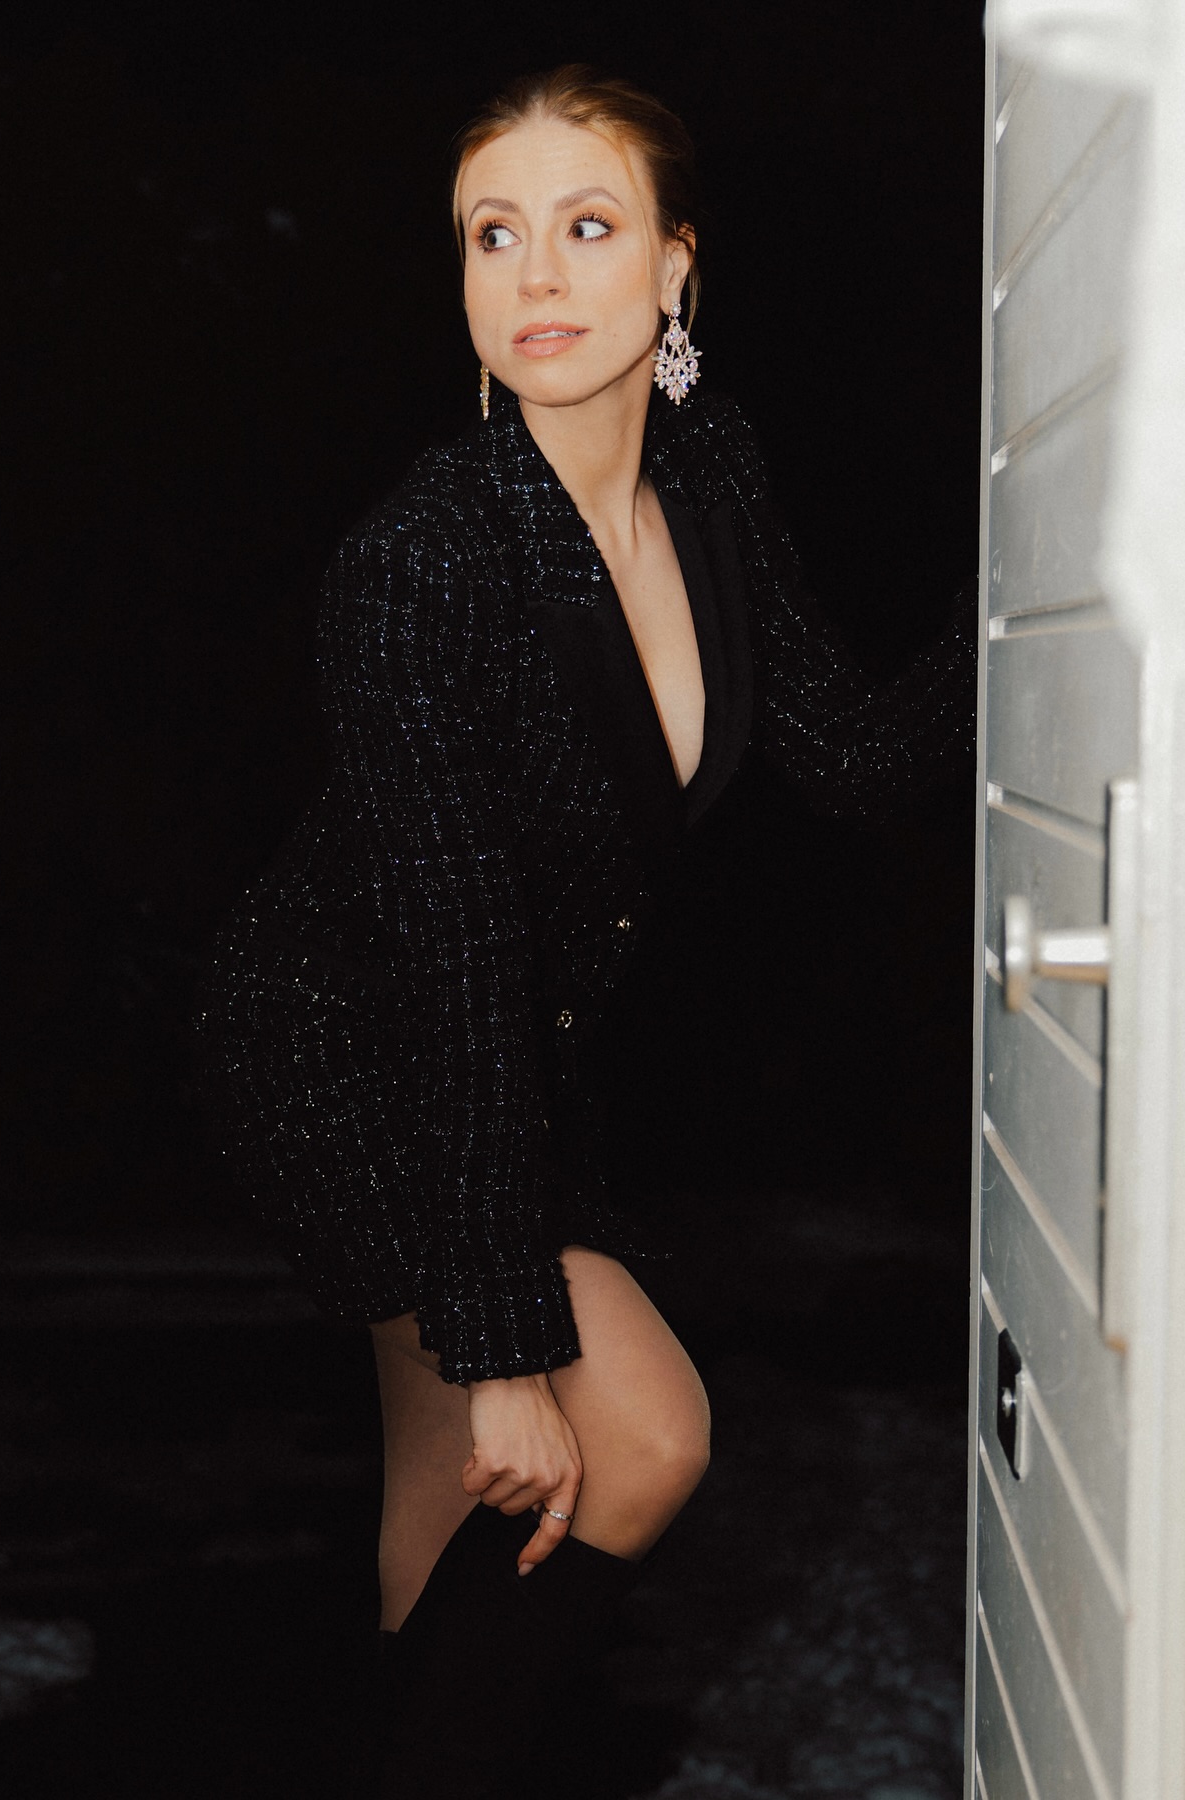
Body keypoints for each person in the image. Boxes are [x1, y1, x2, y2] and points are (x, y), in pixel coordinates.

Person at [195, 63, 971, 1797]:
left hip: (507, 1060)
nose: (535, 273)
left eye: (588, 224)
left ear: (676, 266)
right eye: (495, 234)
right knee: (637, 1429)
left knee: (459, 1508)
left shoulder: (709, 480)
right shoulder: (423, 563)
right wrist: (499, 1350)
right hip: (345, 1047)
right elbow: (453, 950)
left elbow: (849, 756)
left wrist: (1034, 610)